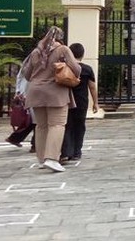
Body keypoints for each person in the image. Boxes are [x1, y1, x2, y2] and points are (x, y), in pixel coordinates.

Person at [22, 26, 81, 173]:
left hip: (35, 92)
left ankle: (42, 159)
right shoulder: (63, 50)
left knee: (41, 126)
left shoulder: (36, 52)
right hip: (55, 92)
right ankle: (52, 158)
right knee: (57, 125)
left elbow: (27, 74)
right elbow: (76, 69)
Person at [60, 43, 98, 163]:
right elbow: (92, 87)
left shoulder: (65, 67)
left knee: (67, 126)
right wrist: (95, 103)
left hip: (66, 101)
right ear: (82, 55)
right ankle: (77, 152)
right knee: (80, 126)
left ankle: (66, 152)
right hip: (81, 102)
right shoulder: (87, 69)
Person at [6, 61, 36, 152]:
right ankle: (35, 145)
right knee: (36, 121)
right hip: (31, 93)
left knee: (32, 120)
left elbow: (20, 76)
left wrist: (19, 91)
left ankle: (15, 138)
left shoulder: (30, 59)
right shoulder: (36, 59)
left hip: (28, 93)